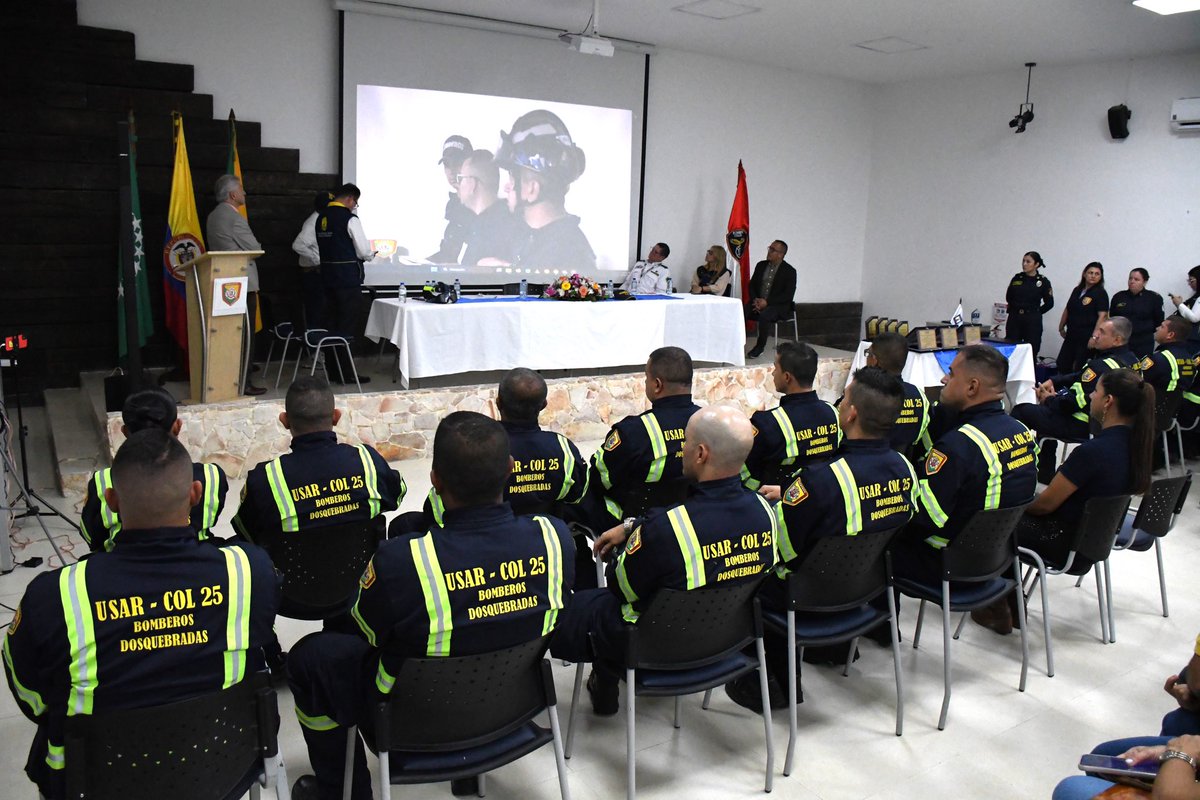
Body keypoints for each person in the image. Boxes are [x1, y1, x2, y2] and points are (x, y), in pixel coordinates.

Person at [286, 411, 575, 800]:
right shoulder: (555, 539)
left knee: (309, 658)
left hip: (409, 718)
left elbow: (365, 630)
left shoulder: (401, 562)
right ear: (510, 469)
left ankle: (342, 792)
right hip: (512, 704)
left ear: (434, 478)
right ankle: (469, 774)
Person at [2, 428, 280, 800]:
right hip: (223, 765)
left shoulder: (53, 597)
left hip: (98, 783)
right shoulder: (249, 572)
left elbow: (32, 698)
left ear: (112, 501)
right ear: (195, 495)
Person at [550, 405, 777, 714]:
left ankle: (604, 682)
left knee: (580, 608)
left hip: (653, 644)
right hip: (725, 638)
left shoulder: (670, 530)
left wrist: (629, 544)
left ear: (700, 454)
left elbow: (622, 588)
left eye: (684, 443)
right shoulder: (766, 512)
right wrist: (633, 525)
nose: (680, 450)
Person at [725, 366, 918, 711]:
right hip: (864, 590)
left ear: (853, 412)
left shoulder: (820, 480)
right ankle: (835, 648)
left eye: (844, 399)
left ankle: (775, 686)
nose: (841, 404)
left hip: (802, 597)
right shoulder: (906, 469)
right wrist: (794, 494)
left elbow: (778, 549)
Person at [975, 368, 1154, 634]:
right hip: (1092, 543)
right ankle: (1008, 601)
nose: (1091, 396)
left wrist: (1014, 504)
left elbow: (1044, 505)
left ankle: (998, 605)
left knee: (995, 520)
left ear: (1108, 402)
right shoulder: (1136, 447)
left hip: (1061, 541)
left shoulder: (1093, 453)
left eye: (1096, 391)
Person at [889, 345, 1038, 622]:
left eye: (951, 373)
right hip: (998, 557)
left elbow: (925, 517)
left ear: (972, 386)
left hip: (948, 563)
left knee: (871, 542)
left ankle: (875, 634)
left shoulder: (960, 446)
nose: (944, 380)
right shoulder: (1023, 433)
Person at [402, 367, 589, 529]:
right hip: (543, 543)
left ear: (498, 403)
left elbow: (438, 511)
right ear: (544, 405)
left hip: (479, 546)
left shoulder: (477, 449)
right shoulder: (562, 448)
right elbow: (577, 495)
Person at [232, 375, 405, 545]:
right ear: (336, 417)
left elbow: (246, 530)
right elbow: (396, 496)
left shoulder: (265, 479)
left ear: (284, 421)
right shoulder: (368, 461)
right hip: (366, 572)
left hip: (289, 573)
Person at [81, 388, 228, 552]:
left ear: (124, 431)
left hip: (121, 561)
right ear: (177, 426)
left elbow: (92, 537)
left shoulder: (103, 481)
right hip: (198, 560)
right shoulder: (211, 476)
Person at [586, 346, 700, 530]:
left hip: (639, 527)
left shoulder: (634, 431)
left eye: (646, 378)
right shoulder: (710, 424)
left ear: (657, 384)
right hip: (693, 521)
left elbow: (598, 478)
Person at [1011, 316, 1137, 481]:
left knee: (1022, 410)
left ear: (1117, 339)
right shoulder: (1133, 361)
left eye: (1102, 332)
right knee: (1047, 411)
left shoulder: (1099, 366)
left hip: (1083, 424)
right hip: (1112, 427)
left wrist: (1048, 399)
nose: (1096, 335)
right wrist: (1054, 381)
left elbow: (1070, 404)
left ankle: (1015, 471)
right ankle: (1044, 470)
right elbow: (1079, 376)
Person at [497, 110, 595, 272]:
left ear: (532, 189)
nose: (507, 187)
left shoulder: (568, 254)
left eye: (513, 178)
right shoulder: (540, 239)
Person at [740, 341, 841, 491]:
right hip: (821, 494)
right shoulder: (833, 413)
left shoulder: (768, 423)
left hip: (773, 504)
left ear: (787, 377)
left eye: (775, 368)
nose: (773, 373)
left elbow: (742, 470)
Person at [206, 173, 267, 394]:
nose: (244, 193)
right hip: (243, 283)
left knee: (229, 334)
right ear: (233, 194)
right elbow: (255, 248)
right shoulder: (234, 217)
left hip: (224, 281)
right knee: (245, 334)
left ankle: (228, 377)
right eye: (241, 190)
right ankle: (244, 381)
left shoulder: (213, 216)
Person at [314, 183, 375, 384]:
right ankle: (347, 374)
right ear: (350, 199)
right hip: (348, 281)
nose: (354, 206)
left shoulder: (321, 217)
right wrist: (371, 255)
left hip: (326, 280)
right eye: (355, 203)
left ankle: (333, 372)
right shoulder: (350, 219)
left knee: (332, 327)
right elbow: (363, 251)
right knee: (347, 329)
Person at [864, 332, 930, 457]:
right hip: (904, 468)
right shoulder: (919, 396)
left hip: (865, 468)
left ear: (874, 361)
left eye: (868, 354)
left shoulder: (863, 394)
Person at [456, 149, 525, 265]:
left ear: (472, 184)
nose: (458, 185)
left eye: (461, 178)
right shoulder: (481, 223)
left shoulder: (500, 227)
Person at [745, 240, 797, 359]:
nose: (769, 251)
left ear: (780, 254)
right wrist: (755, 300)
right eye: (769, 248)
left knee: (766, 315)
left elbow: (788, 295)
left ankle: (760, 347)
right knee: (742, 310)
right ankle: (736, 343)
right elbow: (752, 285)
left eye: (772, 250)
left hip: (777, 306)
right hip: (758, 302)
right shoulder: (761, 265)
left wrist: (767, 302)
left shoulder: (789, 271)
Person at [427, 134, 474, 263]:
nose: (452, 170)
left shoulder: (480, 206)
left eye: (457, 163)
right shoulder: (454, 205)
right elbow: (448, 256)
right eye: (447, 164)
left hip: (468, 281)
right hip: (449, 280)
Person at [1056, 261, 1109, 373]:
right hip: (1072, 333)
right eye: (1090, 272)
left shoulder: (1101, 293)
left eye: (1097, 274)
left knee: (1079, 366)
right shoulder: (1077, 290)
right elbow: (1068, 308)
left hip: (1087, 336)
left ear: (1101, 277)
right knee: (1062, 363)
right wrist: (1061, 327)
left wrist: (1094, 337)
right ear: (1084, 274)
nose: (1093, 276)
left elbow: (1103, 316)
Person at [292, 191, 332, 333]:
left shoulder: (321, 220)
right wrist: (317, 260)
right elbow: (298, 245)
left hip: (317, 274)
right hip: (313, 274)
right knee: (316, 313)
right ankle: (315, 352)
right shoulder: (313, 222)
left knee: (320, 312)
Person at [1005, 250, 1054, 360]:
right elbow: (1009, 297)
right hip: (1015, 317)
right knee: (1010, 347)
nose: (1024, 264)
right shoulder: (1017, 278)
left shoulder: (1042, 281)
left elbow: (1050, 303)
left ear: (1036, 264)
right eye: (1023, 261)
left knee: (1031, 350)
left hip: (1032, 320)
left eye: (1028, 261)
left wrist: (1036, 312)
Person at [1139, 316, 1197, 402]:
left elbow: (1138, 380)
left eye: (1162, 327)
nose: (1157, 328)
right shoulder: (1189, 359)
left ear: (1170, 335)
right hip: (1173, 408)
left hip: (1152, 406)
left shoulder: (1159, 358)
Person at [1111, 268, 1165, 358]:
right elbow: (1112, 319)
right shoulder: (1119, 297)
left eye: (1136, 279)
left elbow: (1159, 321)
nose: (1132, 281)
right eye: (1130, 278)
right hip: (1121, 340)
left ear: (1144, 282)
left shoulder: (1154, 298)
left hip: (1143, 341)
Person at [1168, 265, 1200, 354]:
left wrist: (1179, 304)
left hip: (1195, 341)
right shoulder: (1195, 297)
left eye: (1191, 280)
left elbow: (1194, 318)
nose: (1189, 283)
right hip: (1189, 338)